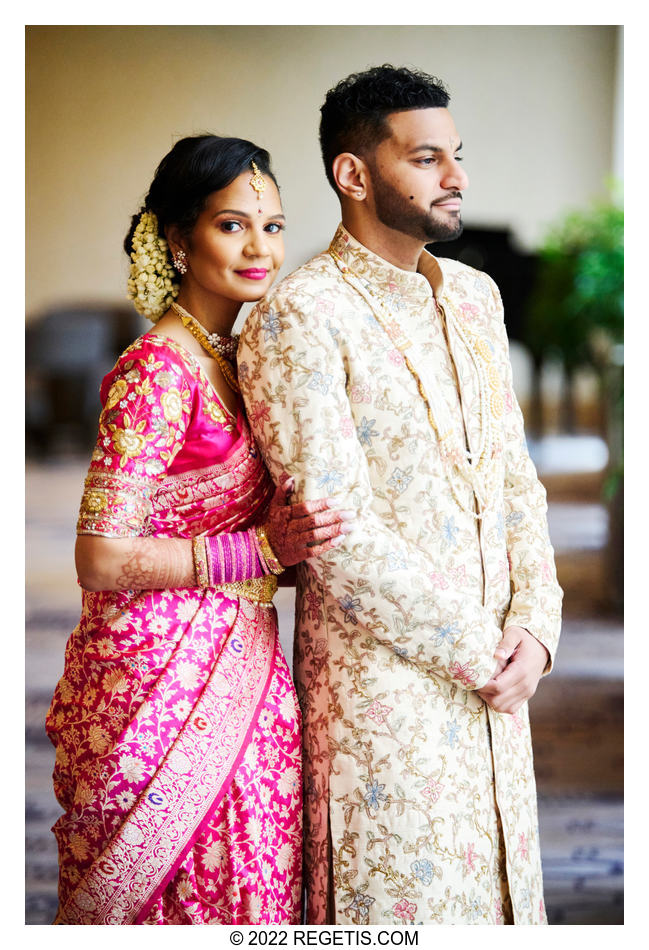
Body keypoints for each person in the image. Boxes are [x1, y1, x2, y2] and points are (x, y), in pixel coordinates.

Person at [238, 65, 563, 926]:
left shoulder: (474, 298)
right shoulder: (300, 313)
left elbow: (515, 479)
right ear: (353, 174)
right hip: (385, 696)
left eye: (456, 157)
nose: (455, 178)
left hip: (502, 684)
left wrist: (534, 625)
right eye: (426, 159)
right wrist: (479, 651)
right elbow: (333, 532)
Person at [45, 134, 353, 925]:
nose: (260, 247)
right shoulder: (157, 372)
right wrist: (260, 549)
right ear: (178, 240)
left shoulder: (239, 357)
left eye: (275, 226)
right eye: (232, 225)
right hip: (154, 681)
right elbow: (101, 557)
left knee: (249, 871)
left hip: (241, 655)